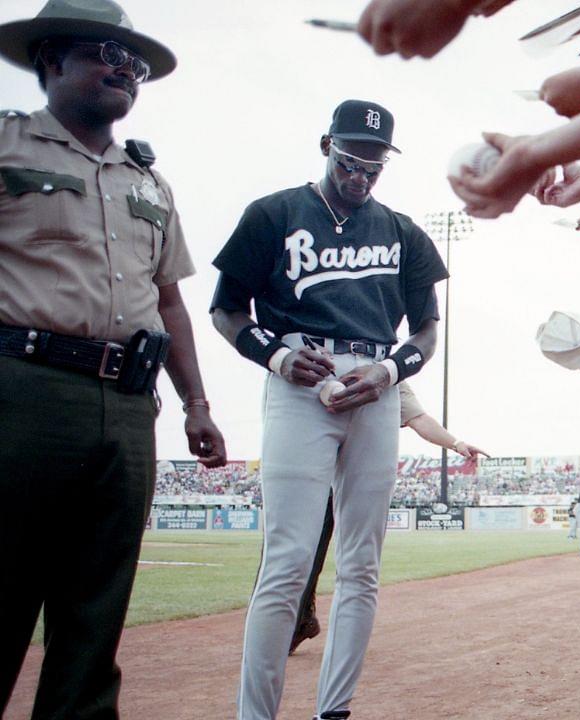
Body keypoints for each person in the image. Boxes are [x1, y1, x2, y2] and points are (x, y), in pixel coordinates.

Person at [0, 2, 227, 716]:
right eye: (105, 53)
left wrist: (196, 404)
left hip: (129, 408)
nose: (124, 71)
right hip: (22, 393)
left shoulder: (149, 183)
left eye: (134, 64)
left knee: (95, 618)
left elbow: (170, 304)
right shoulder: (7, 148)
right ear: (51, 61)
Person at [209, 99, 448, 720]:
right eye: (351, 160)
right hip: (299, 384)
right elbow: (225, 309)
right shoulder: (273, 213)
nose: (361, 175)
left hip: (376, 383)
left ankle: (334, 710)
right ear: (326, 146)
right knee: (287, 562)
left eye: (374, 165)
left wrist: (394, 369)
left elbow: (426, 329)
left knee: (361, 565)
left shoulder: (402, 231)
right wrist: (277, 359)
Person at [290, 382, 488, 654]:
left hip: (354, 475)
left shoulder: (390, 376)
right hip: (315, 471)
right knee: (298, 552)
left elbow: (419, 418)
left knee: (354, 562)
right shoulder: (320, 360)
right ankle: (300, 619)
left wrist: (457, 444)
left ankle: (320, 630)